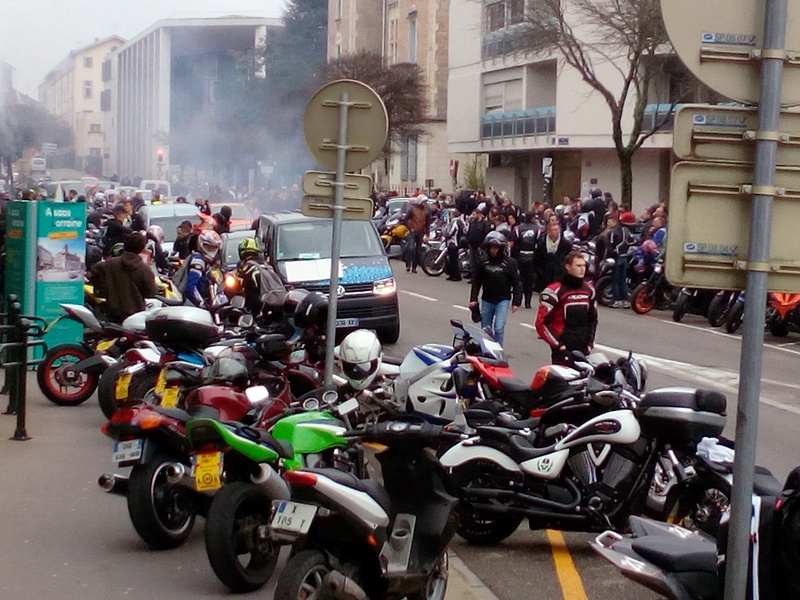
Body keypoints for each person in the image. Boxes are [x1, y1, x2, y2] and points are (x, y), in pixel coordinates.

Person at [535, 250, 598, 365]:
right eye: (578, 265)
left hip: (583, 349)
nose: (582, 269)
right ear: (568, 267)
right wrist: (559, 346)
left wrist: (589, 344)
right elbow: (541, 323)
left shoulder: (589, 289)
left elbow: (592, 319)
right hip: (562, 350)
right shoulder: (554, 291)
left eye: (584, 265)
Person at [89, 232, 158, 323]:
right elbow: (151, 293)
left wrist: (102, 289)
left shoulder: (109, 264)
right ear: (141, 249)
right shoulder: (145, 269)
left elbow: (91, 273)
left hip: (112, 314)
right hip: (136, 316)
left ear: (124, 245)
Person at [468, 232, 522, 346]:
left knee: (499, 327)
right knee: (485, 329)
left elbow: (517, 283)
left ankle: (498, 349)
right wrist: (473, 299)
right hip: (487, 299)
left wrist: (516, 302)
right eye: (491, 247)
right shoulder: (483, 262)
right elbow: (477, 281)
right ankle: (486, 348)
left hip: (502, 300)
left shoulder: (510, 263)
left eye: (496, 248)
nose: (493, 250)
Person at [184, 230, 221, 308]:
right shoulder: (198, 260)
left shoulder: (208, 261)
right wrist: (201, 303)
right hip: (194, 304)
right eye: (208, 246)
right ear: (201, 244)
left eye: (214, 247)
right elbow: (191, 287)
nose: (211, 249)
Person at [533, 220, 573, 291]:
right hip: (544, 275)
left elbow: (568, 258)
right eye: (554, 230)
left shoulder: (566, 244)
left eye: (558, 229)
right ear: (548, 231)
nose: (557, 232)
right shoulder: (541, 242)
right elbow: (536, 259)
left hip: (559, 275)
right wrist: (539, 272)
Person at [514, 211, 539, 308]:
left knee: (520, 279)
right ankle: (527, 302)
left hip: (520, 255)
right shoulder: (537, 228)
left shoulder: (518, 228)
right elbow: (538, 242)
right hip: (531, 256)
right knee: (529, 280)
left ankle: (518, 300)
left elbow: (514, 243)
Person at [235, 238, 265, 317]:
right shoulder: (265, 264)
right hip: (268, 300)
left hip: (255, 304)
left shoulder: (247, 266)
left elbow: (238, 284)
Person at [402, 195, 431, 273]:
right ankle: (408, 264)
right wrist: (410, 228)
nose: (425, 203)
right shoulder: (413, 209)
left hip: (421, 232)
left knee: (418, 250)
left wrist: (427, 233)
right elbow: (405, 220)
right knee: (410, 248)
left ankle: (414, 267)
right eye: (423, 202)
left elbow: (428, 222)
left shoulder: (427, 211)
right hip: (413, 231)